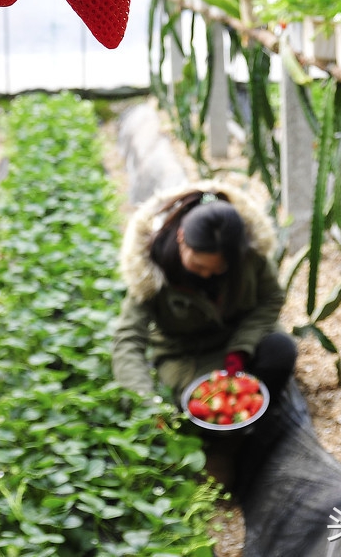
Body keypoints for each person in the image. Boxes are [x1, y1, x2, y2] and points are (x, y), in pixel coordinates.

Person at [111, 180, 297, 488]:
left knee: (280, 352)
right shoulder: (151, 265)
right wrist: (145, 403)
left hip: (238, 337)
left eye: (218, 270)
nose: (208, 275)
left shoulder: (248, 253)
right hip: (187, 353)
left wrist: (241, 349)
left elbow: (270, 299)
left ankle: (248, 432)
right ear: (182, 239)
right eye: (199, 266)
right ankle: (221, 446)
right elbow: (128, 340)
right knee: (200, 405)